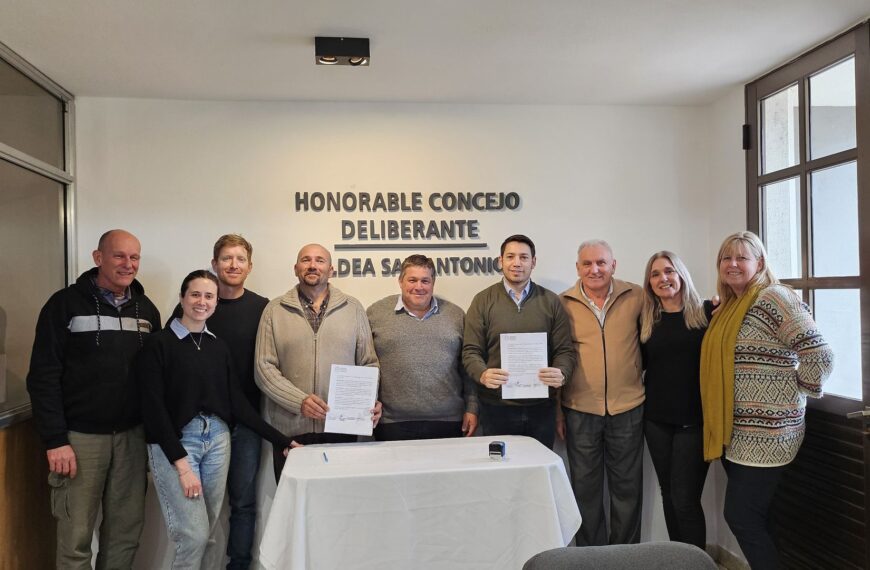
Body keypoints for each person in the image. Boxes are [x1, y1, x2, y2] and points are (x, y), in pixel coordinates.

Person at [137, 270, 293, 569]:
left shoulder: (217, 347)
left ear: (216, 302)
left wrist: (282, 440)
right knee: (193, 536)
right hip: (177, 445)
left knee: (207, 534)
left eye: (209, 296)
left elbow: (238, 404)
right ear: (182, 298)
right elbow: (153, 410)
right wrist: (182, 465)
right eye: (195, 294)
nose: (202, 302)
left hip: (218, 440)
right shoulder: (158, 345)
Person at [26, 229, 162, 569]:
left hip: (132, 438)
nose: (128, 264)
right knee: (75, 538)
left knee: (125, 535)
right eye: (119, 255)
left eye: (134, 257)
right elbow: (43, 376)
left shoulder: (147, 310)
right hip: (79, 440)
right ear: (98, 257)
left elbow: (156, 378)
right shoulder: (63, 305)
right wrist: (56, 440)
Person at [701, 231, 833, 569]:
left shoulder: (774, 297)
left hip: (768, 434)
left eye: (742, 257)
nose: (732, 264)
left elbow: (820, 354)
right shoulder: (731, 306)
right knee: (760, 518)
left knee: (741, 516)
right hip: (737, 433)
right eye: (726, 258)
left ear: (759, 263)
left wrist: (796, 392)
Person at [169, 234, 269, 570]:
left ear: (250, 266)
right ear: (214, 264)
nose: (233, 265)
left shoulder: (263, 309)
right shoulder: (194, 306)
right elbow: (171, 362)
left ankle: (238, 565)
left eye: (240, 259)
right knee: (198, 511)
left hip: (246, 422)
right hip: (199, 426)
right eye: (226, 258)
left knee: (243, 503)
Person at [255, 243, 381, 480]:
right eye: (306, 260)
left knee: (340, 499)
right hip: (290, 431)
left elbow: (369, 363)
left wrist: (368, 400)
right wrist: (299, 401)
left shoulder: (353, 309)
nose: (312, 265)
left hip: (341, 428)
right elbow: (264, 368)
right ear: (295, 268)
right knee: (295, 500)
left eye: (320, 260)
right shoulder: (274, 310)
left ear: (331, 270)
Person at [559, 239, 644, 546]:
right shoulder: (562, 303)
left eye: (601, 263)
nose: (594, 269)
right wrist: (557, 411)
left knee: (628, 489)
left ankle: (625, 557)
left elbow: (670, 317)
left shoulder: (636, 296)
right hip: (580, 410)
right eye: (587, 264)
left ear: (613, 265)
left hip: (628, 408)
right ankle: (592, 557)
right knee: (585, 490)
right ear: (578, 267)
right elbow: (557, 357)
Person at [462, 234, 575, 449]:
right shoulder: (482, 301)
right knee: (500, 468)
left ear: (533, 262)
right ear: (500, 261)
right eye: (510, 256)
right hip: (496, 407)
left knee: (538, 466)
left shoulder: (551, 301)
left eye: (523, 257)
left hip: (542, 408)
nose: (517, 263)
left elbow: (565, 351)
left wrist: (562, 372)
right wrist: (482, 373)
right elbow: (470, 351)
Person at [640, 251, 712, 550]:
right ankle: (678, 559)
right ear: (649, 283)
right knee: (668, 494)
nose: (663, 278)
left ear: (681, 274)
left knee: (685, 499)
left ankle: (698, 564)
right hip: (656, 420)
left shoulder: (707, 313)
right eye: (655, 274)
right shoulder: (647, 320)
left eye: (669, 271)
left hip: (694, 422)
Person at [367, 254, 478, 440]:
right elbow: (365, 363)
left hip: (448, 420)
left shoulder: (456, 315)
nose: (419, 287)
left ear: (433, 283)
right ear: (400, 281)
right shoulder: (375, 314)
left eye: (425, 281)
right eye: (412, 280)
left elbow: (467, 367)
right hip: (391, 422)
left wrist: (472, 408)